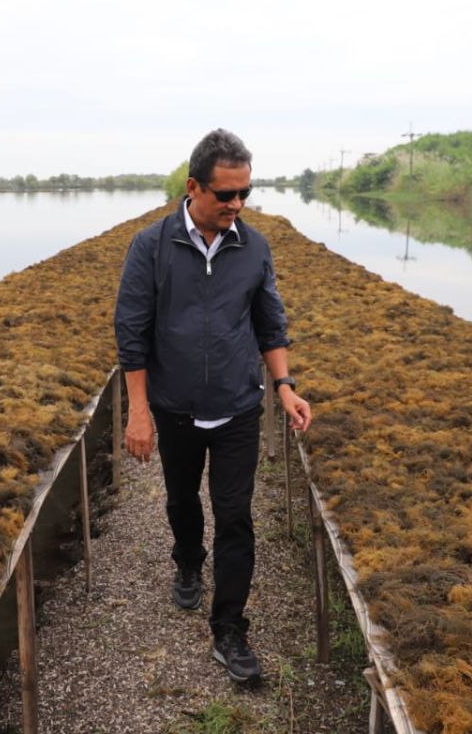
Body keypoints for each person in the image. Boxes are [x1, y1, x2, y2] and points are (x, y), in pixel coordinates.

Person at [114, 128, 312, 684]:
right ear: (193, 187)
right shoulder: (150, 246)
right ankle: (185, 561)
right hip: (173, 406)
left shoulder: (254, 248)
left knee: (236, 518)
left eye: (246, 193)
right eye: (226, 195)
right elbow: (131, 333)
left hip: (237, 409)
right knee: (181, 500)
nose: (237, 205)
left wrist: (285, 386)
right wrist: (138, 411)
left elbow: (270, 322)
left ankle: (229, 630)